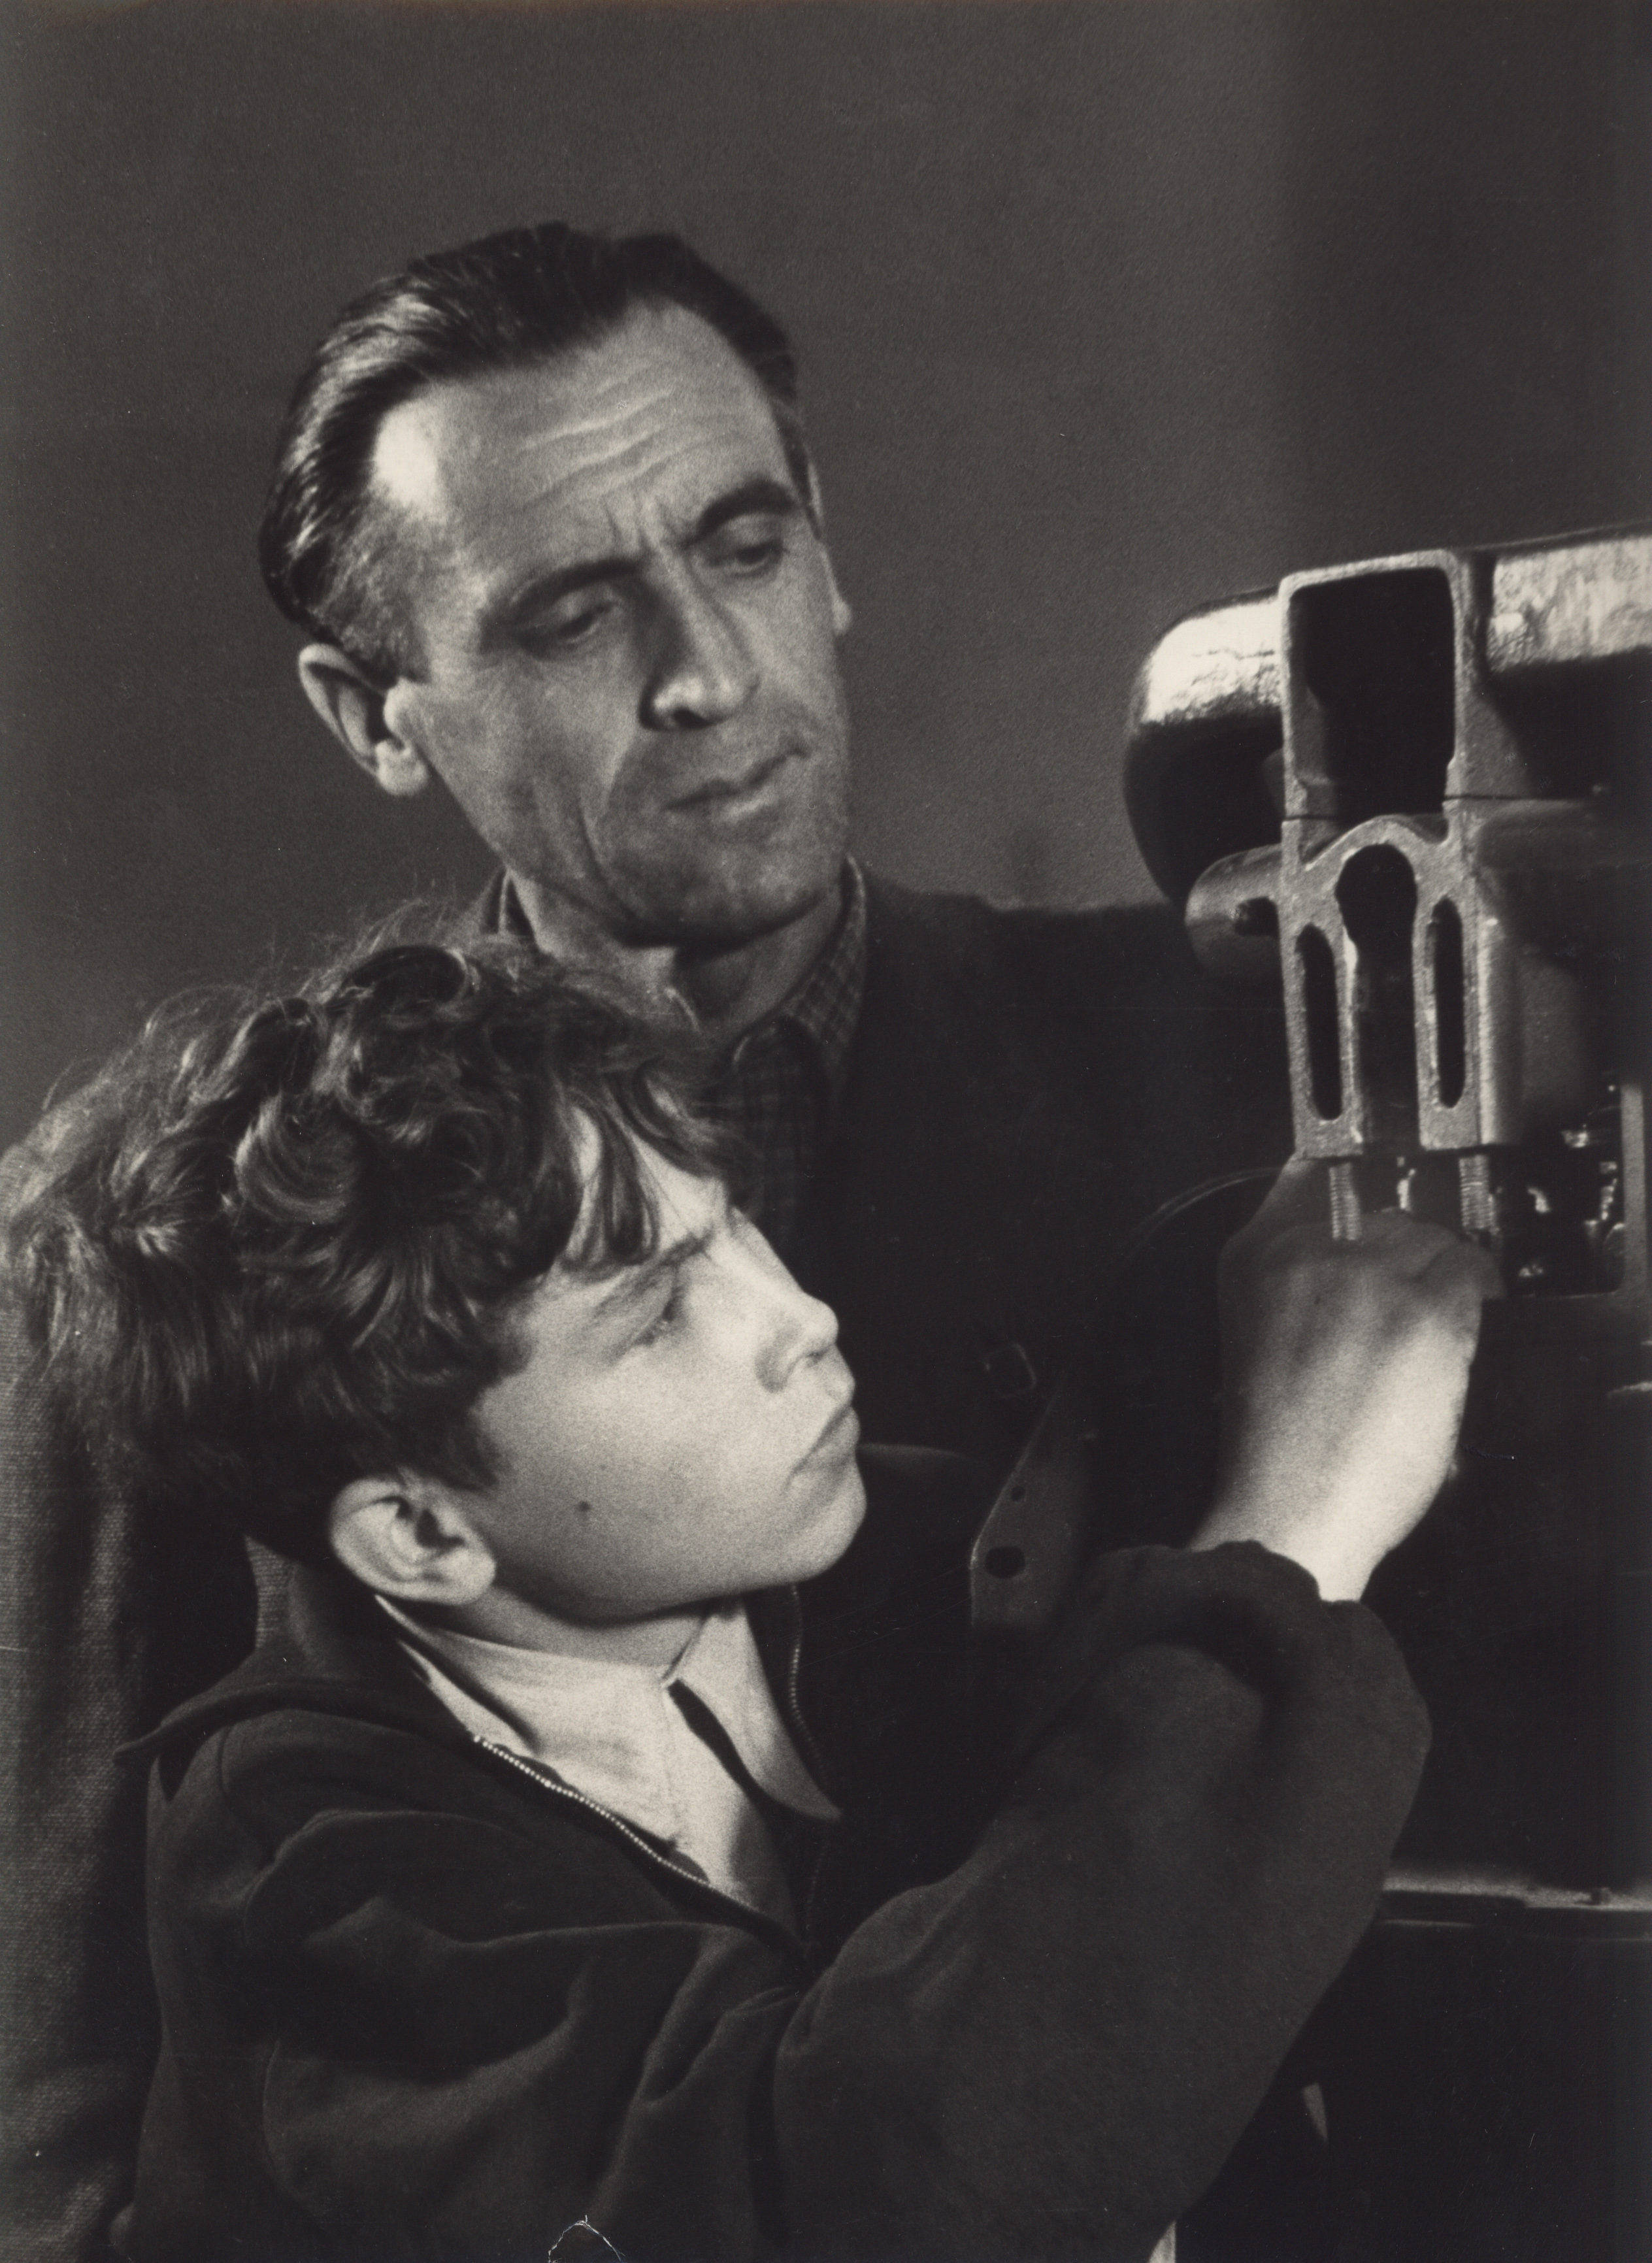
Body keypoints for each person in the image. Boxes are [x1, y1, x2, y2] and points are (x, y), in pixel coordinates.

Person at [3, 221, 1294, 2258]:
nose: (709, 675)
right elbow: (60, 2081)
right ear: (374, 714)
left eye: (746, 545)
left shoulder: (1230, 1059)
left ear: (826, 549)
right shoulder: (159, 1235)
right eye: (571, 617)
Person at [4, 934, 1494, 2262]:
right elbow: (843, 2200)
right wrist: (1291, 1530)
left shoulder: (909, 1549)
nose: (800, 1319)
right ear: (422, 1533)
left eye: (732, 1227)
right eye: (659, 1313)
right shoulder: (308, 1871)